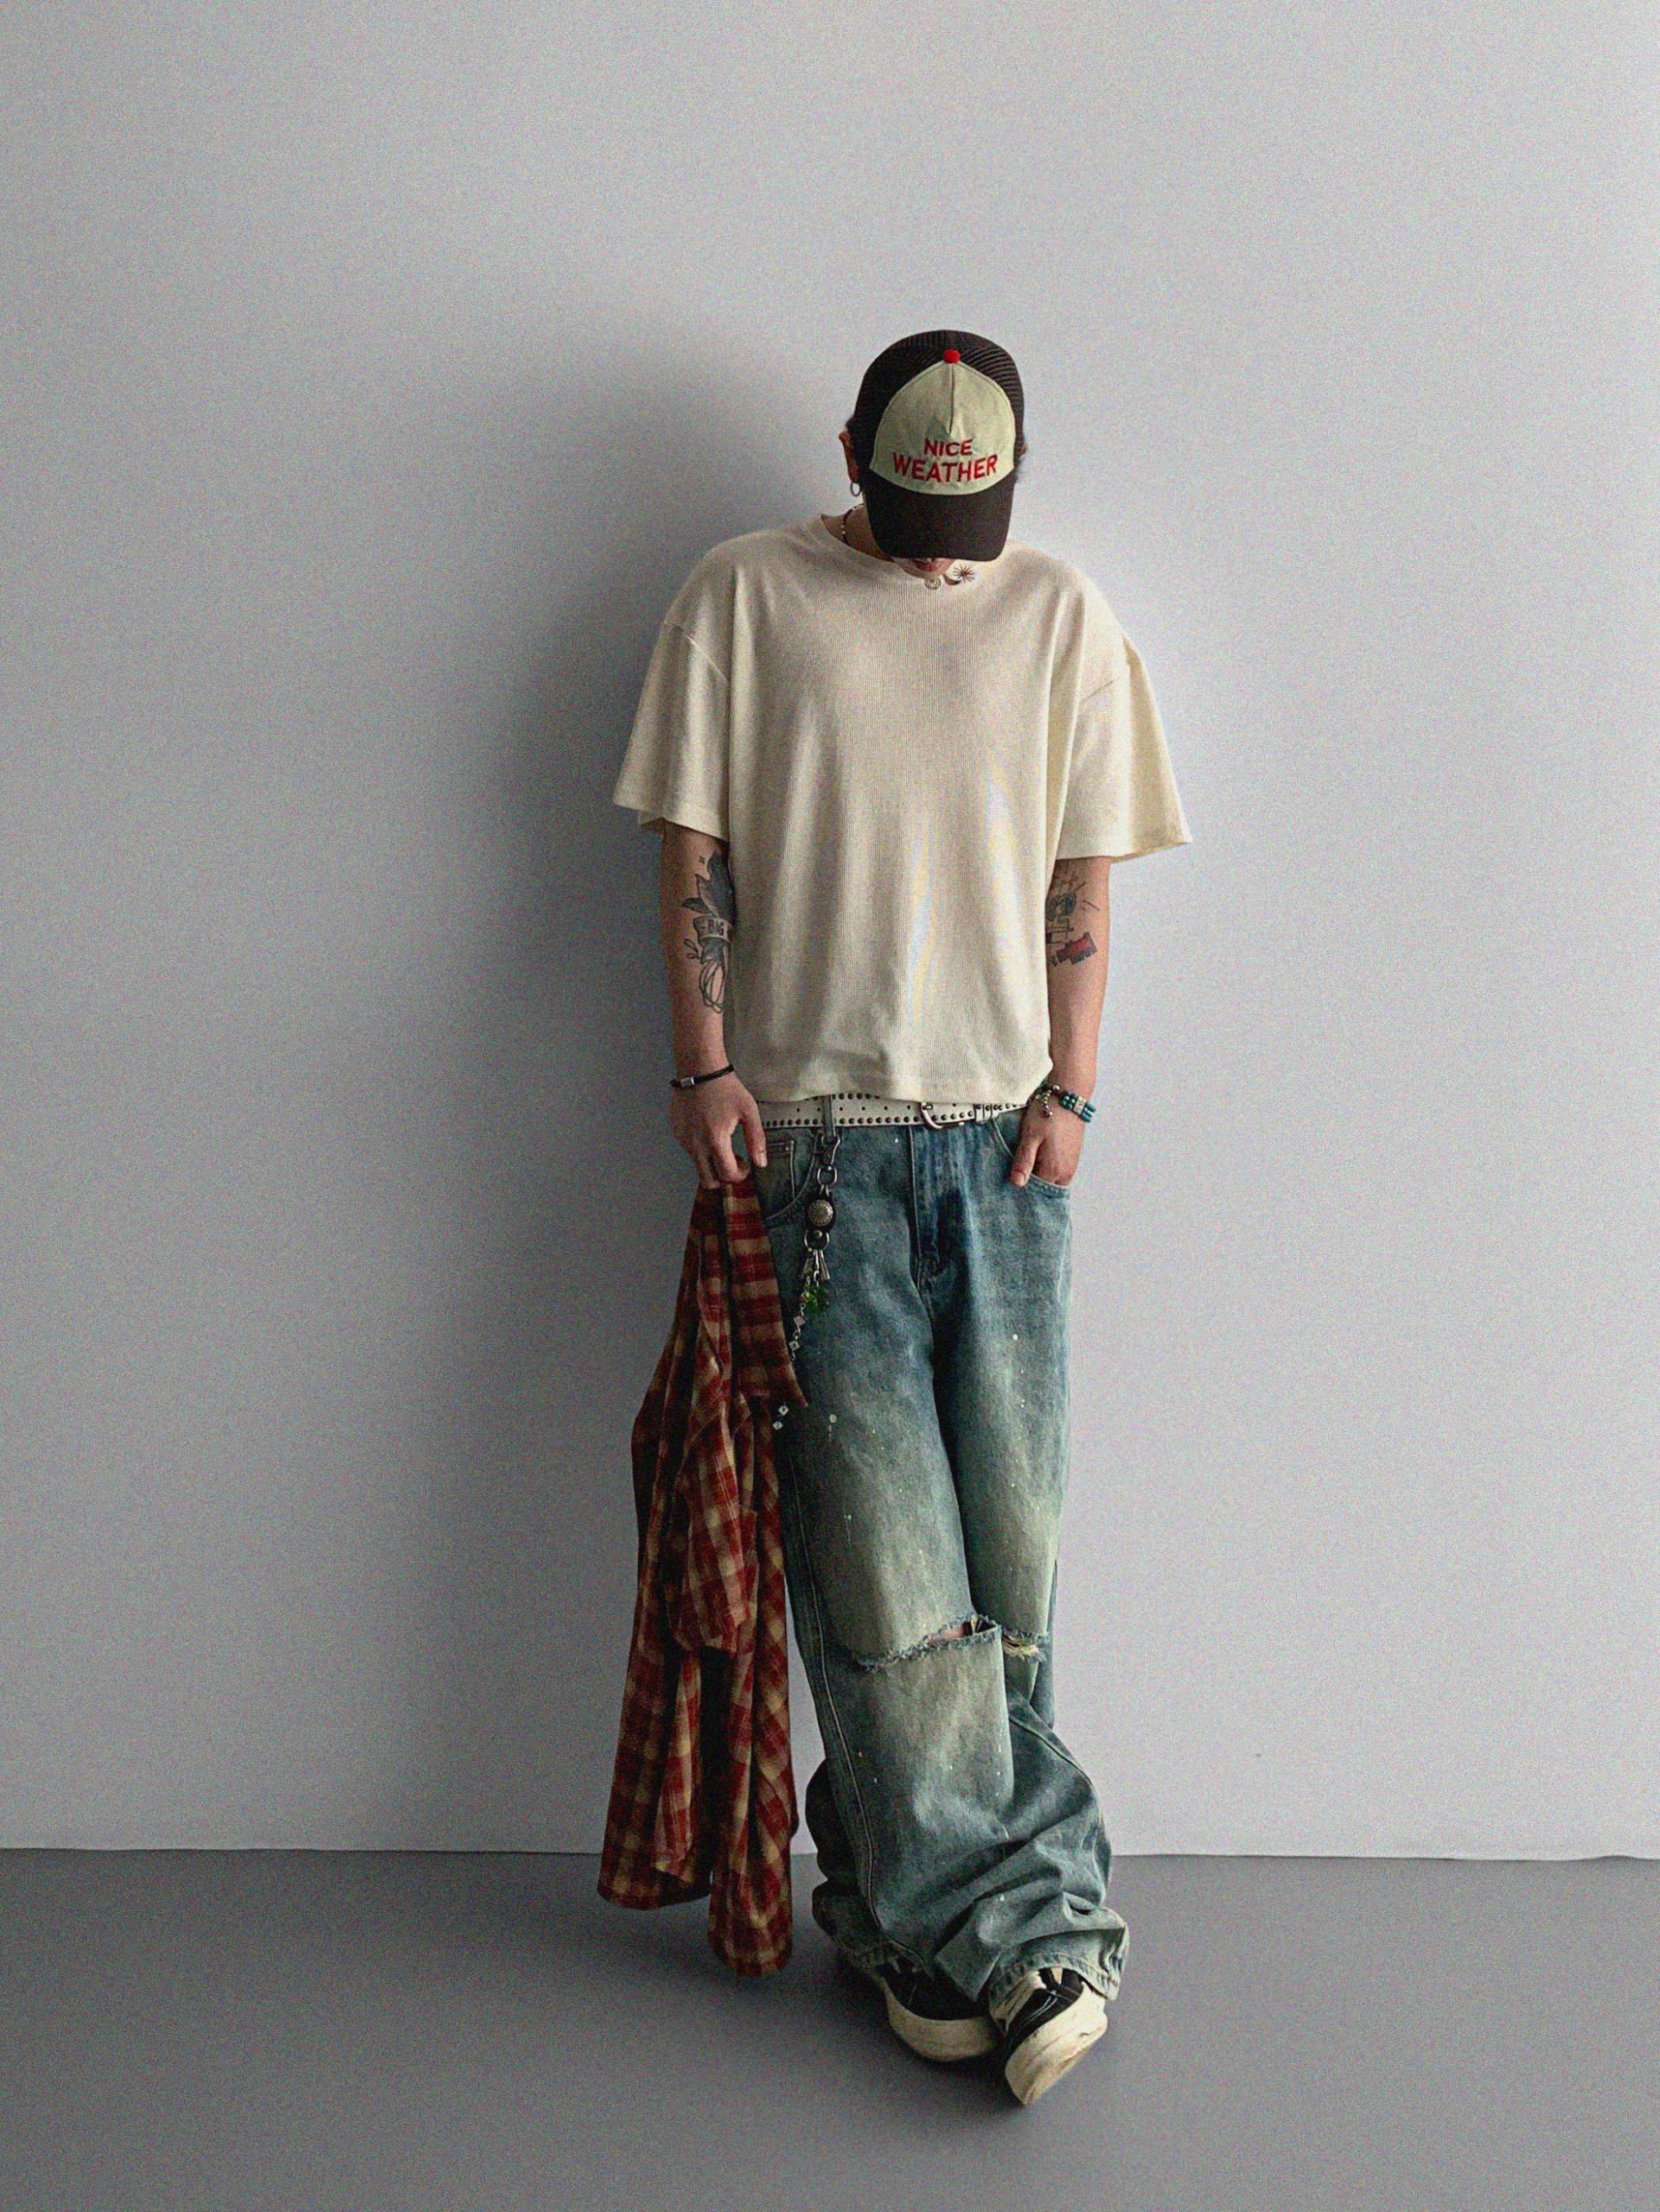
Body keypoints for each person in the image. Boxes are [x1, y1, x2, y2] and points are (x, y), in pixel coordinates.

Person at [610, 328, 1191, 2106]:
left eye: (975, 519)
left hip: (1006, 1153)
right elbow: (693, 853)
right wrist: (705, 1064)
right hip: (818, 1151)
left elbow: (1081, 873)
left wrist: (1072, 1089)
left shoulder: (1062, 616)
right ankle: (1032, 1935)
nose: (949, 557)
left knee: (1008, 1570)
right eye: (918, 512)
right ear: (851, 453)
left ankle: (898, 1912)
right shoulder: (743, 597)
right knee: (890, 1578)